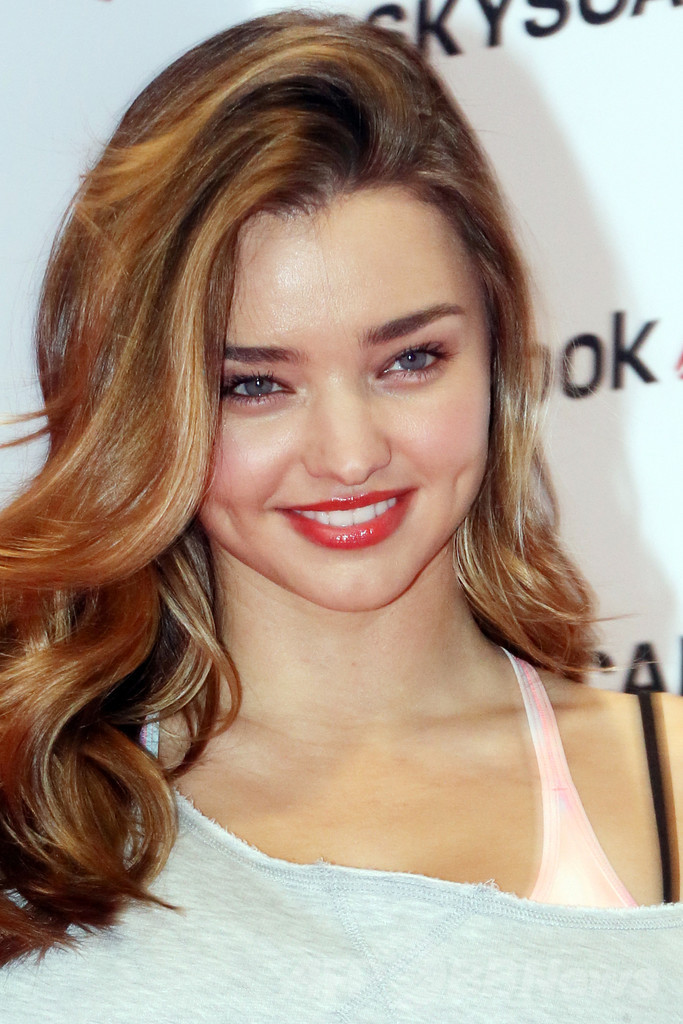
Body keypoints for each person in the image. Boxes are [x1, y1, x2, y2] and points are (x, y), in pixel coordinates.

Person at [1, 9, 681, 1021]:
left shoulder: (667, 776)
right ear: (150, 404)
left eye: (409, 360)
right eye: (253, 385)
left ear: (496, 353)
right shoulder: (29, 798)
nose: (350, 454)